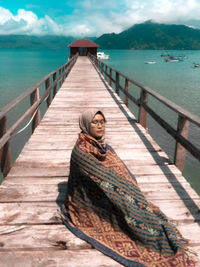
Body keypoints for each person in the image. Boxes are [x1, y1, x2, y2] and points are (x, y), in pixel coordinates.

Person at [61, 109, 196, 267]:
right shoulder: (81, 152)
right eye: (95, 122)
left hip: (105, 192)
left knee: (143, 211)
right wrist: (123, 194)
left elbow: (119, 174)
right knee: (132, 219)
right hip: (90, 201)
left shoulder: (104, 148)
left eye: (102, 122)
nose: (100, 126)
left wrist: (130, 192)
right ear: (85, 124)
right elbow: (102, 178)